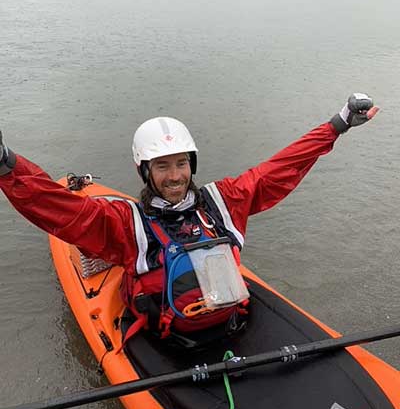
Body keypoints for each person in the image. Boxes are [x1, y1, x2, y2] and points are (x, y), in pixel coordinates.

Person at [0, 94, 379, 347]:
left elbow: (281, 167)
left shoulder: (222, 201)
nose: (175, 176)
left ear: (191, 165)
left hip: (228, 322)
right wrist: (7, 165)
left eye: (181, 164)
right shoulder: (123, 222)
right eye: (162, 166)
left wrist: (337, 125)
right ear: (144, 171)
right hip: (169, 340)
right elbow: (57, 208)